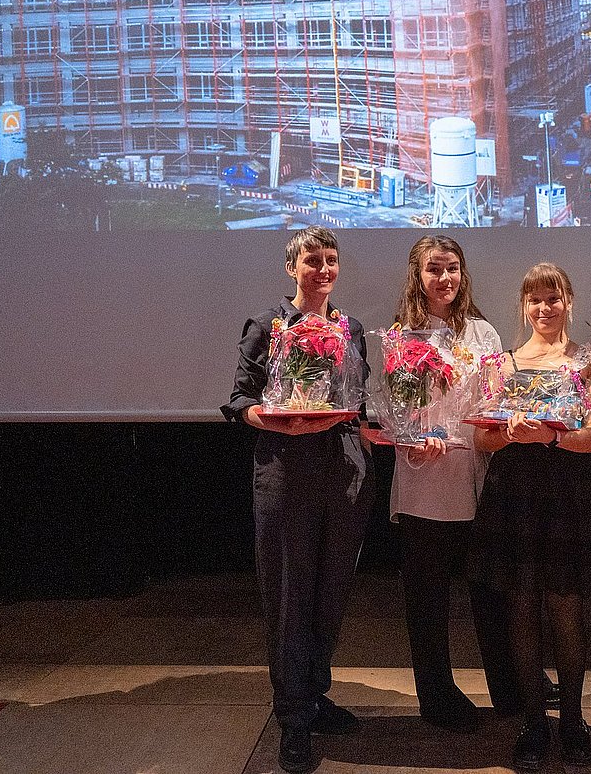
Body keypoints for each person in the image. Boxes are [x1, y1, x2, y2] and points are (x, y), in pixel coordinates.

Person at [222, 226, 374, 774]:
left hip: (343, 472)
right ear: (293, 267)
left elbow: (356, 399)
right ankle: (290, 717)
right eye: (313, 260)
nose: (324, 269)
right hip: (285, 471)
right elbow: (238, 398)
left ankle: (314, 694)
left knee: (331, 593)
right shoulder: (268, 325)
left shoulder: (350, 327)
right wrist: (269, 417)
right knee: (289, 594)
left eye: (331, 260)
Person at [469, 263, 591, 770]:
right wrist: (511, 431)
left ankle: (572, 720)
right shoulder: (504, 363)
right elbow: (481, 438)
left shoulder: (588, 360)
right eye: (534, 300)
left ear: (569, 302)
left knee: (567, 613)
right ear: (524, 307)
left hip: (568, 496)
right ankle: (533, 723)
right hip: (515, 496)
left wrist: (551, 435)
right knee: (522, 613)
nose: (544, 308)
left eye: (553, 298)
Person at [388, 234, 520, 732]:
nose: (444, 279)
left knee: (491, 596)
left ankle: (509, 689)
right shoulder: (404, 336)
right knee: (427, 601)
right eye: (434, 269)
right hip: (424, 481)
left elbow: (495, 400)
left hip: (476, 479)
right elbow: (393, 408)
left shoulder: (483, 334)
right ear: (417, 276)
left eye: (452, 269)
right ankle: (436, 697)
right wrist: (414, 434)